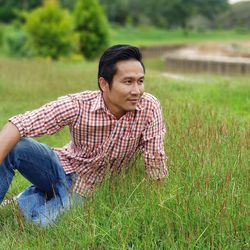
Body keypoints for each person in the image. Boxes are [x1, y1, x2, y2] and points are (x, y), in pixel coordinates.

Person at [0, 44, 168, 226]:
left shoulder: (149, 107)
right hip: (59, 167)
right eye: (128, 82)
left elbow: (155, 159)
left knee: (40, 225)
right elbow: (18, 124)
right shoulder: (79, 105)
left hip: (88, 188)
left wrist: (156, 206)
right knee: (16, 146)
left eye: (140, 81)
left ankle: (24, 201)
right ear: (104, 84)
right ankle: (38, 196)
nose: (136, 91)